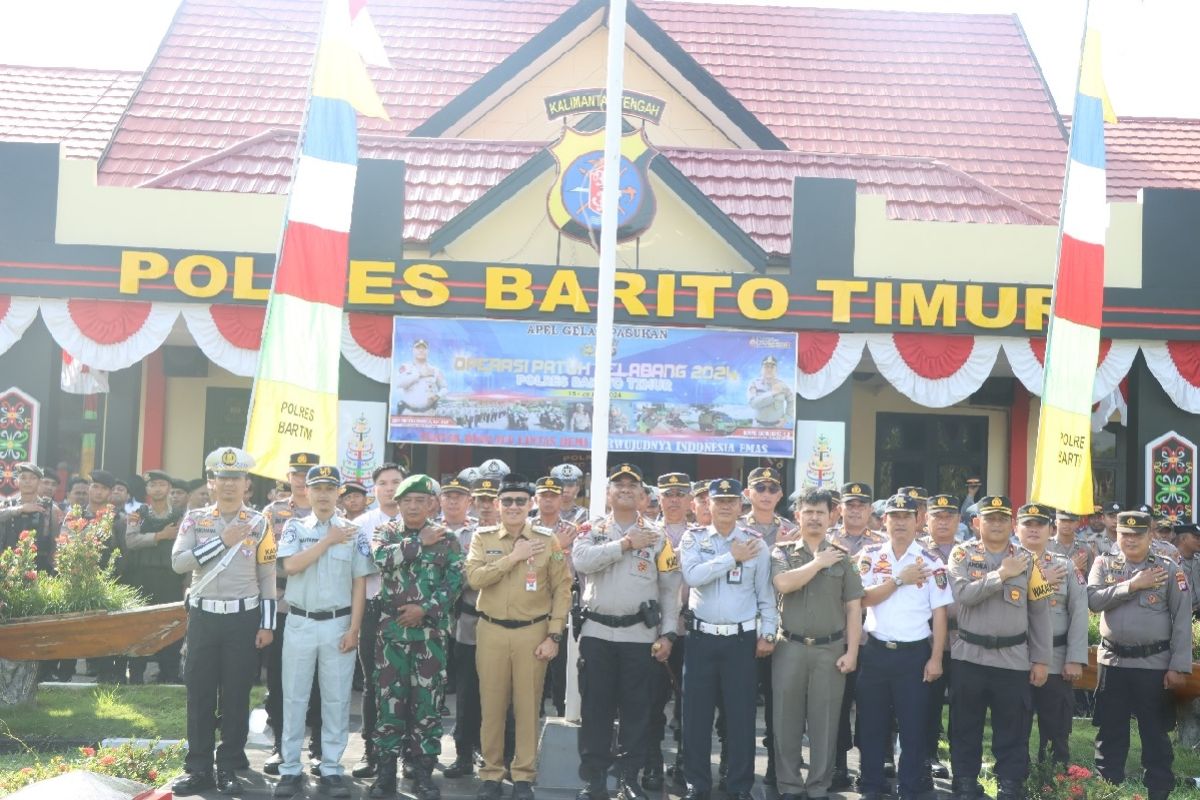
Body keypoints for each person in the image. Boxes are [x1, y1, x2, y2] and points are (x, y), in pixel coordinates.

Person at [170, 447, 276, 796]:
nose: (229, 485)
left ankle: (229, 764)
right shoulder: (195, 518)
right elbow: (179, 563)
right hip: (203, 616)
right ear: (210, 482)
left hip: (242, 619)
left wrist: (267, 624)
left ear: (247, 484)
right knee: (199, 693)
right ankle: (198, 766)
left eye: (237, 479)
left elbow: (268, 577)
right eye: (222, 478)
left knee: (235, 695)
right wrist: (222, 541)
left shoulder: (260, 522)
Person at [573, 463, 682, 800]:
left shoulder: (658, 536)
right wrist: (623, 544)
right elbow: (581, 561)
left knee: (637, 711)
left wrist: (667, 634)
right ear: (608, 493)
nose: (625, 489)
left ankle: (628, 778)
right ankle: (593, 781)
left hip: (639, 638)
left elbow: (669, 589)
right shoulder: (591, 529)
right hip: (597, 633)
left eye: (632, 485)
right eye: (618, 484)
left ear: (643, 495)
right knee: (595, 711)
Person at [465, 475, 571, 800]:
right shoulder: (482, 538)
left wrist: (554, 634)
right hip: (492, 631)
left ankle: (524, 775)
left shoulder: (548, 540)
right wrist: (513, 556)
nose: (513, 507)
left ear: (531, 505)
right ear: (497, 505)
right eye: (507, 501)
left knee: (528, 706)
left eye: (520, 501)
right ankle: (492, 773)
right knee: (492, 706)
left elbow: (562, 588)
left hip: (532, 633)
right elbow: (474, 578)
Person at [272, 466, 374, 799]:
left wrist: (355, 628)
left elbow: (359, 582)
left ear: (339, 493)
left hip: (338, 623)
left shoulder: (354, 531)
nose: (324, 494)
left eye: (330, 488)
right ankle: (290, 768)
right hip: (299, 622)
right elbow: (289, 566)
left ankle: (331, 767)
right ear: (309, 492)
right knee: (294, 697)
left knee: (336, 698)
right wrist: (328, 540)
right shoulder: (295, 527)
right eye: (317, 488)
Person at [946, 495, 1052, 800]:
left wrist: (1042, 659)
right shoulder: (961, 555)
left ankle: (1010, 786)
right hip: (970, 656)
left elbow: (1040, 611)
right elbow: (964, 595)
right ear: (977, 522)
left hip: (1013, 660)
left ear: (1011, 524)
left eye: (1002, 519)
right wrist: (1001, 574)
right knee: (965, 727)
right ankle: (965, 783)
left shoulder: (1028, 559)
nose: (995, 524)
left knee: (1013, 730)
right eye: (989, 518)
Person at [679, 478, 777, 800]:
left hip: (741, 641)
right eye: (718, 500)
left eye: (730, 500)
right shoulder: (693, 539)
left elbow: (765, 594)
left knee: (741, 716)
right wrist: (731, 558)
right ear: (708, 503)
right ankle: (697, 783)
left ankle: (739, 785)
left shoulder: (756, 543)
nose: (724, 505)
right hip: (701, 639)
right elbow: (693, 577)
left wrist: (769, 633)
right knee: (696, 716)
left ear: (740, 504)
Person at [368, 474, 464, 800]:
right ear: (398, 504)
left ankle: (423, 773)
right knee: (389, 706)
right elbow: (380, 559)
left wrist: (424, 609)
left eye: (420, 500)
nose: (412, 506)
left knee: (427, 707)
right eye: (406, 500)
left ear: (431, 504)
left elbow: (453, 584)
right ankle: (384, 776)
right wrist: (418, 542)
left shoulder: (448, 538)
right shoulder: (386, 533)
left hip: (430, 637)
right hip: (391, 637)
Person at [1087, 510, 1192, 800]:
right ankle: (1107, 790)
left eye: (1137, 534)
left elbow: (1182, 618)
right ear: (1117, 535)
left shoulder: (1169, 568)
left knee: (1155, 734)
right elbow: (1093, 600)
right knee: (1110, 733)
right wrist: (1132, 585)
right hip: (1114, 663)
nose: (1130, 540)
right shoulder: (1103, 563)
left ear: (1150, 535)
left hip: (1154, 665)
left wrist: (1178, 666)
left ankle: (1158, 791)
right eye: (1125, 534)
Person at [855, 494, 951, 800]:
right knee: (871, 725)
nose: (899, 522)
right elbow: (861, 599)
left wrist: (936, 658)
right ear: (884, 520)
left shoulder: (932, 561)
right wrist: (898, 579)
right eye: (893, 516)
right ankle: (870, 786)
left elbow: (940, 614)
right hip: (877, 651)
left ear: (917, 521)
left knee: (913, 728)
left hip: (914, 655)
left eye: (906, 516)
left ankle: (909, 789)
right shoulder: (870, 555)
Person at [771, 489, 863, 800]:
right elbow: (783, 583)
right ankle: (789, 786)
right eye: (808, 511)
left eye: (820, 512)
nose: (813, 517)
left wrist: (851, 652)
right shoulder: (782, 553)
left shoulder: (843, 557)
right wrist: (817, 563)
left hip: (830, 650)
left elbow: (854, 607)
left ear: (831, 516)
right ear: (797, 515)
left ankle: (818, 787)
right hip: (790, 647)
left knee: (825, 723)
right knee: (786, 721)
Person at [1015, 503, 1088, 765]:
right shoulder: (1005, 562)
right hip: (1015, 655)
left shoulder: (1065, 566)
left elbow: (1079, 612)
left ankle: (1055, 777)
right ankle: (1016, 776)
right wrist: (1039, 580)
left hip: (1057, 658)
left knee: (1056, 724)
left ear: (1051, 529)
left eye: (1040, 525)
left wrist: (1075, 658)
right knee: (1015, 724)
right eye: (1028, 524)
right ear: (1017, 528)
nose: (1034, 530)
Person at [262, 452, 320, 776]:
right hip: (282, 603)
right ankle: (281, 744)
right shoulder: (273, 512)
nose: (301, 479)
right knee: (280, 677)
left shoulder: (328, 512)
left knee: (318, 680)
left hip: (318, 603)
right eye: (296, 473)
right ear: (288, 476)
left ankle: (318, 747)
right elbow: (264, 559)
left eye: (307, 473)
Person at [738, 466, 795, 789]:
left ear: (780, 495)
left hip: (782, 625)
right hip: (743, 622)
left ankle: (776, 767)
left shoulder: (792, 530)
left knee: (779, 704)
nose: (766, 494)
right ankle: (738, 765)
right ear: (748, 493)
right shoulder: (735, 529)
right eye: (760, 488)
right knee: (739, 700)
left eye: (772, 489)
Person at [826, 481, 885, 790]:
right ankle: (837, 765)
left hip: (872, 634)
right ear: (841, 509)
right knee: (837, 702)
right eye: (850, 505)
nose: (856, 510)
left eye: (862, 505)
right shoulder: (827, 541)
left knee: (871, 705)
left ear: (870, 509)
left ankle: (869, 767)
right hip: (838, 634)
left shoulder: (883, 544)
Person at [349, 463, 406, 781]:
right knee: (373, 685)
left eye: (395, 482)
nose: (389, 488)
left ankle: (409, 755)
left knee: (409, 685)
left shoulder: (417, 520)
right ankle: (371, 752)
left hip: (409, 612)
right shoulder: (361, 524)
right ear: (375, 489)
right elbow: (365, 567)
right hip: (372, 609)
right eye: (383, 483)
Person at [646, 471, 692, 789]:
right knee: (650, 701)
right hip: (653, 630)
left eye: (680, 494)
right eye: (668, 494)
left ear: (689, 499)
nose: (673, 500)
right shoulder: (647, 533)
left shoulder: (702, 534)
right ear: (658, 499)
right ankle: (651, 762)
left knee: (689, 702)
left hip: (689, 630)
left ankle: (685, 761)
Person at [438, 477, 484, 779]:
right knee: (427, 692)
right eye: (448, 496)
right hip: (430, 621)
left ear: (470, 501)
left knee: (471, 692)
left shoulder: (481, 532)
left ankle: (468, 751)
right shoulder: (427, 529)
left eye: (459, 496)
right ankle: (417, 752)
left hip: (468, 622)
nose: (453, 501)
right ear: (439, 500)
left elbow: (477, 574)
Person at [123, 469, 185, 684]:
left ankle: (169, 673)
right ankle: (137, 674)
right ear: (147, 489)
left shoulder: (181, 515)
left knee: (171, 624)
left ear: (169, 488)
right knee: (141, 625)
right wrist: (160, 536)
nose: (157, 488)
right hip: (142, 577)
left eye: (162, 484)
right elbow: (131, 541)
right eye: (153, 485)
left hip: (171, 577)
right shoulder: (138, 513)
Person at [918, 493, 960, 782]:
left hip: (963, 640)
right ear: (926, 519)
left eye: (948, 516)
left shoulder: (970, 551)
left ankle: (961, 758)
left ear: (958, 520)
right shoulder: (917, 552)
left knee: (962, 704)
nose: (942, 522)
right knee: (928, 702)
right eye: (937, 516)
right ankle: (927, 755)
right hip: (927, 638)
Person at [531, 475, 578, 718]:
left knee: (562, 675)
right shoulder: (525, 529)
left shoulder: (573, 531)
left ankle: (562, 718)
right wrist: (556, 546)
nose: (548, 500)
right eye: (544, 496)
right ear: (536, 499)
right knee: (533, 675)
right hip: (531, 607)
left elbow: (576, 570)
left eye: (553, 495)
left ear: (562, 498)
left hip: (562, 609)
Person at [0, 462, 61, 570]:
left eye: (33, 478)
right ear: (16, 482)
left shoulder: (50, 508)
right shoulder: (8, 505)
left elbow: (55, 542)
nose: (27, 481)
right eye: (23, 478)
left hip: (40, 568)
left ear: (40, 483)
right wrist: (21, 509)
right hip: (9, 568)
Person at [393, 339, 447, 414]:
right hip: (408, 412)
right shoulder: (405, 367)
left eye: (424, 348)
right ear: (413, 350)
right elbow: (398, 384)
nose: (421, 350)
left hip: (429, 412)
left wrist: (437, 396)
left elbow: (444, 388)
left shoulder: (435, 370)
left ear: (428, 351)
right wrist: (419, 374)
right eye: (418, 348)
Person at [746, 355, 793, 428]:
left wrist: (787, 418)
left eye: (772, 367)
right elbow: (753, 404)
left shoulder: (783, 385)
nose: (769, 369)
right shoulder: (754, 384)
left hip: (777, 427)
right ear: (761, 369)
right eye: (766, 367)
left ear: (776, 370)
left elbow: (791, 401)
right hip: (758, 427)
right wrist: (772, 394)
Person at [1048, 509, 1095, 577]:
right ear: (1056, 522)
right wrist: (1071, 566)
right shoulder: (1046, 546)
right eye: (1063, 520)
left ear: (1077, 523)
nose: (1067, 524)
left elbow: (1091, 579)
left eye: (1071, 521)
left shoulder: (1085, 548)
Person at [1175, 523, 1200, 612]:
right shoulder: (1171, 562)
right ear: (1183, 539)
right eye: (1197, 538)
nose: (1199, 541)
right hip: (1181, 614)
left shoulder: (1198, 560)